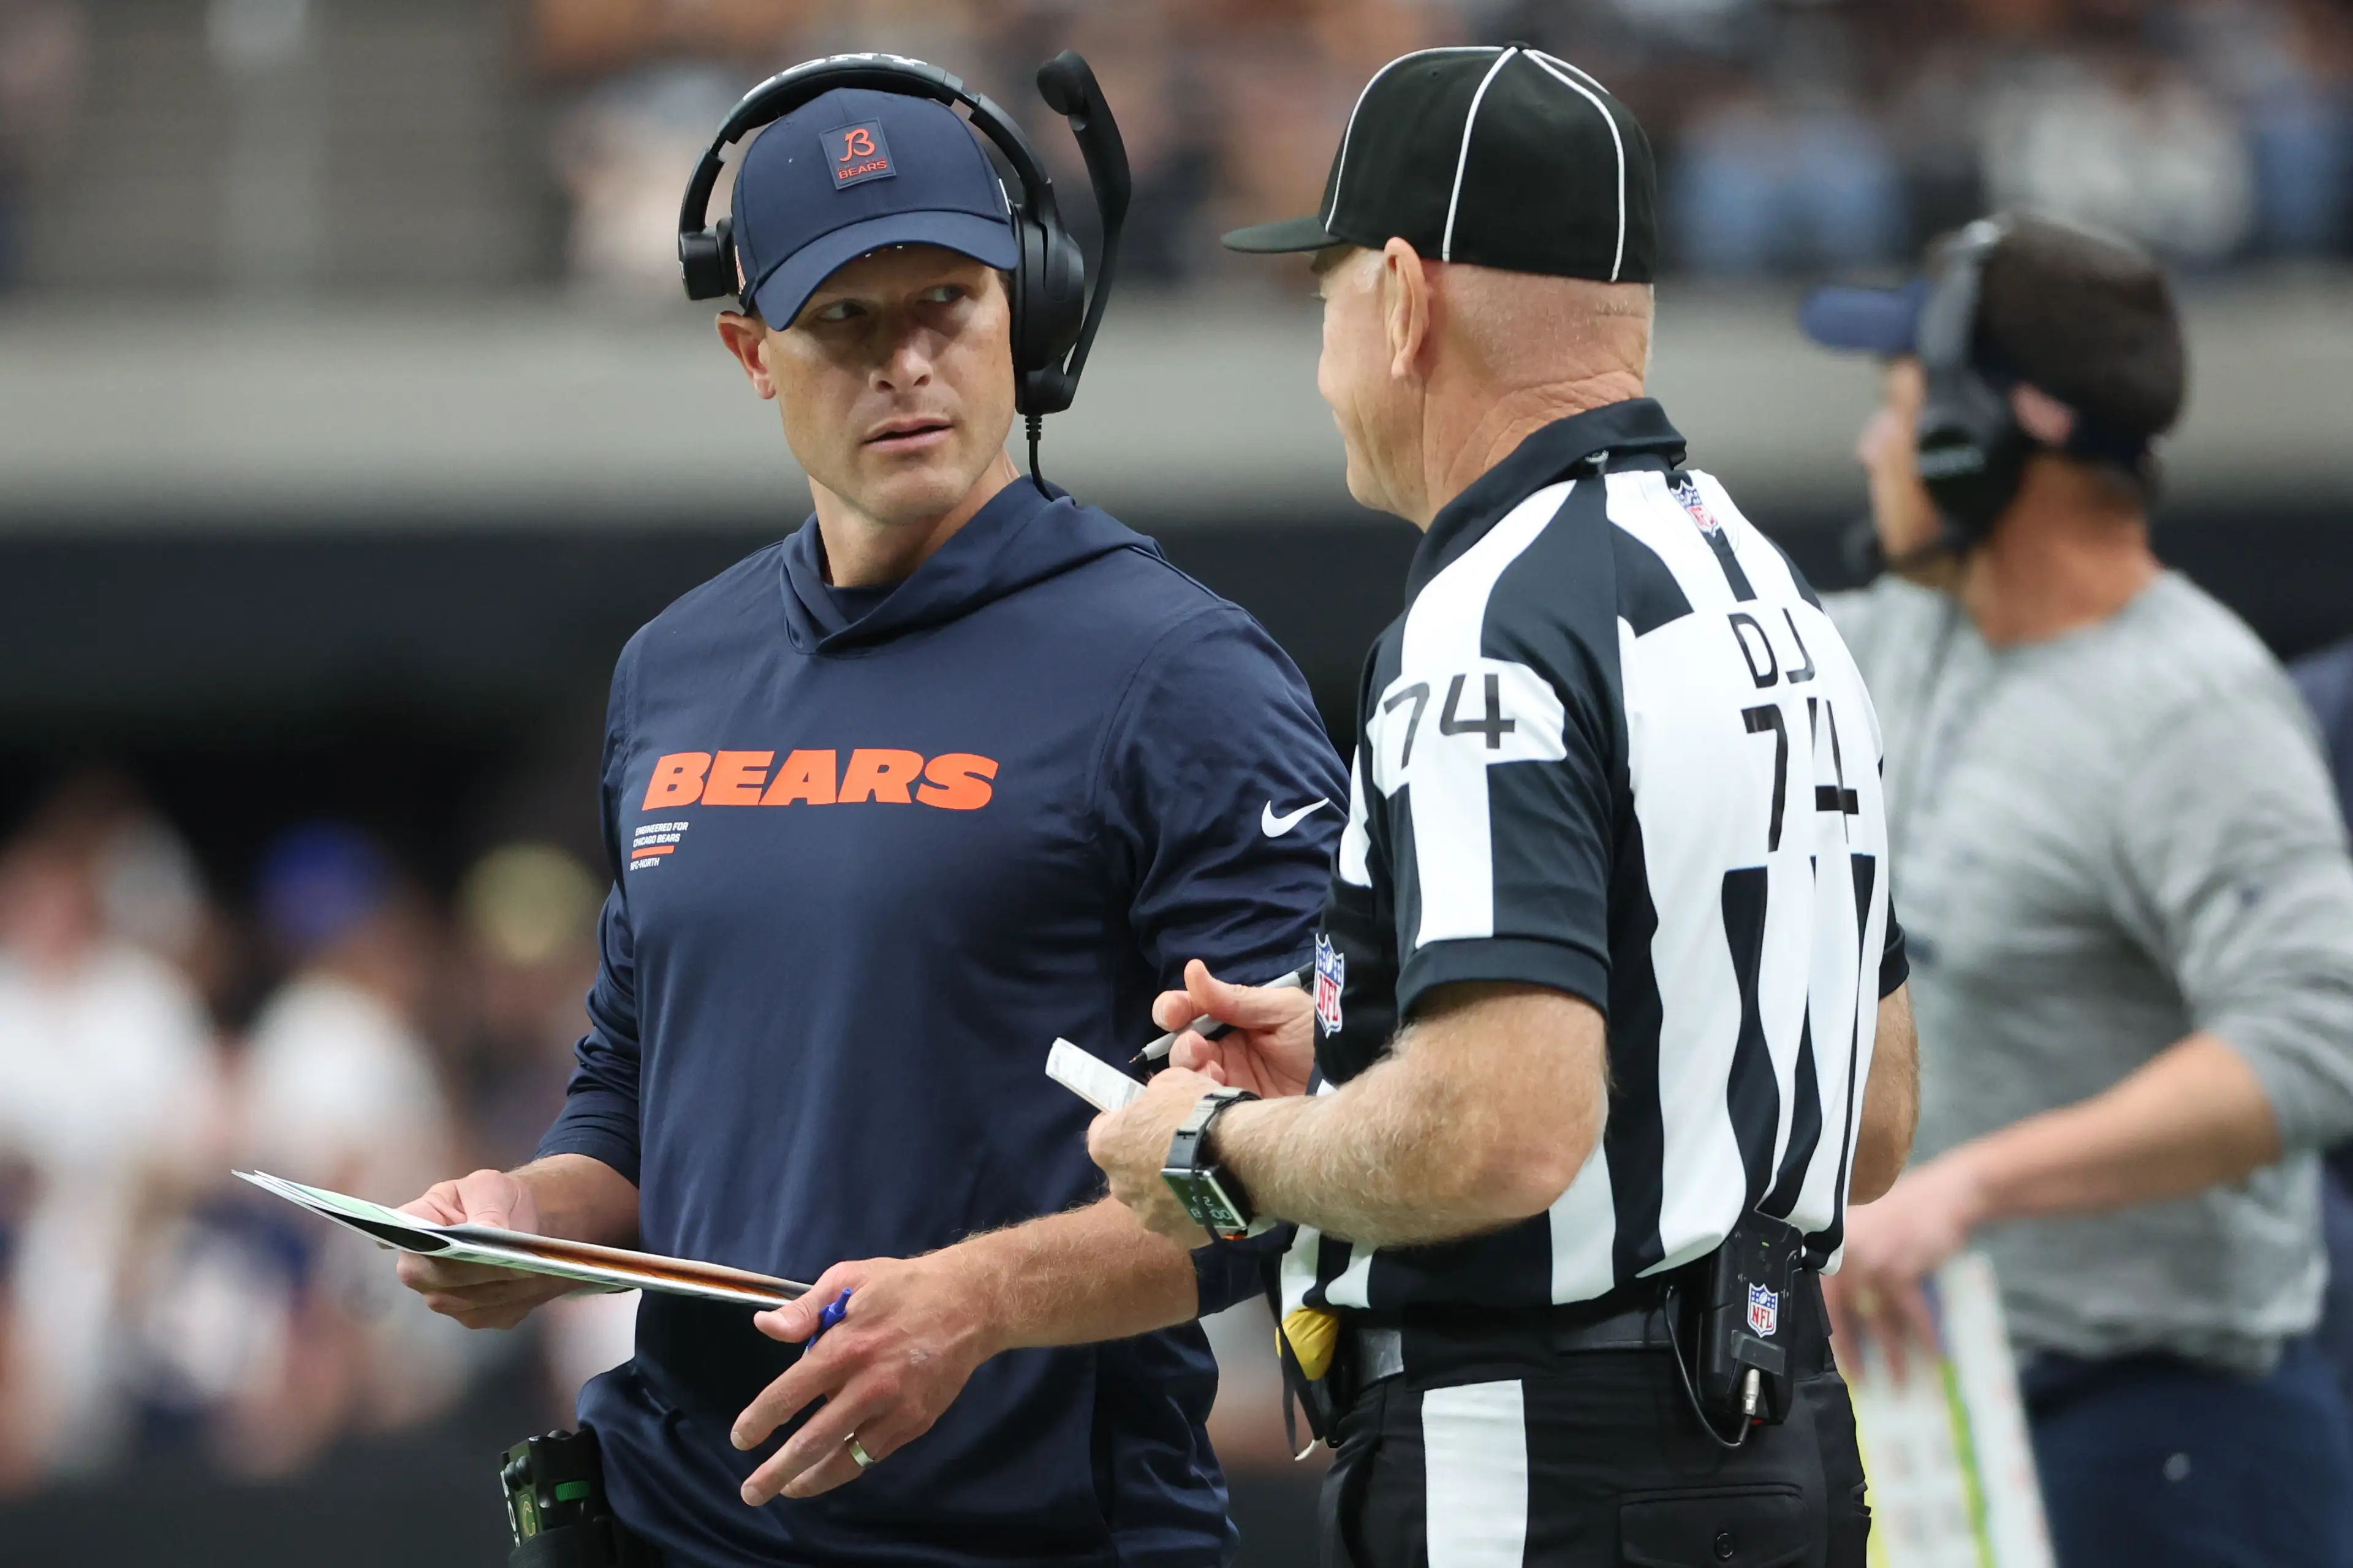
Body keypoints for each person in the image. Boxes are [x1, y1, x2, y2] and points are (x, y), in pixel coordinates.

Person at [392, 62, 1345, 1568]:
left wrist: (976, 1303)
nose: (906, 362)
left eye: (946, 306)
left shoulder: (1181, 676)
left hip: (1033, 1541)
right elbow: (635, 1106)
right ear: (751, 351)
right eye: (846, 320)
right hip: (678, 1519)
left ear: (1024, 308)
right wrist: (521, 1218)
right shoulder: (674, 670)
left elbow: (1306, 1166)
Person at [1090, 45, 1918, 1568]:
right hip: (1779, 1438)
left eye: (1328, 294)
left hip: (1536, 1472)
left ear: (1405, 300)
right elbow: (1869, 1116)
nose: (1323, 347)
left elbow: (1499, 1130)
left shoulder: (1491, 613)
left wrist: (1218, 1143)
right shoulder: (1773, 594)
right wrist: (1364, 1056)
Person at [1802, 214, 2353, 1567]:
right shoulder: (1904, 637)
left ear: (1980, 433)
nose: (1874, 447)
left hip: (2170, 1447)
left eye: (1898, 406)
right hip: (1939, 1412)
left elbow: (2317, 1037)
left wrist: (1971, 1187)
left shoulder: (2195, 705)